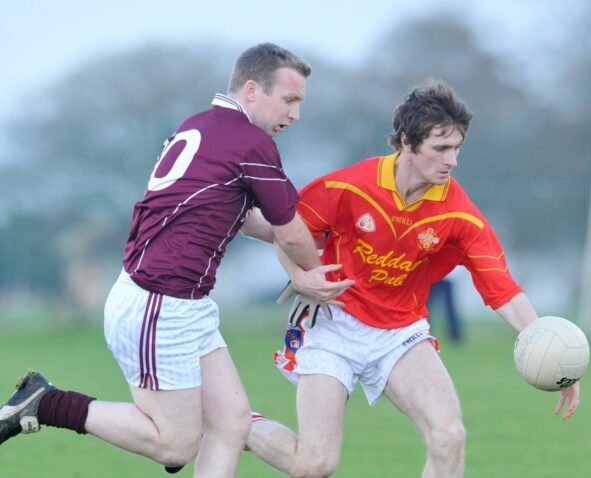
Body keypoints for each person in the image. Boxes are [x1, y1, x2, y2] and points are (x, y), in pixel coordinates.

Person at [0, 43, 351, 477]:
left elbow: (252, 221)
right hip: (159, 304)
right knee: (173, 445)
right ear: (253, 89)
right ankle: (47, 403)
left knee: (231, 422)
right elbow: (289, 229)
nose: (295, 114)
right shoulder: (249, 140)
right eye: (290, 100)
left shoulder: (202, 127)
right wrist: (311, 273)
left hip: (183, 305)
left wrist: (323, 238)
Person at [244, 80, 581, 477]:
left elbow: (502, 289)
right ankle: (235, 421)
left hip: (399, 331)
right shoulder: (350, 186)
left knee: (449, 435)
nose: (452, 160)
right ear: (406, 141)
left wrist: (551, 352)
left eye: (457, 148)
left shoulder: (459, 215)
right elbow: (288, 230)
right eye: (441, 148)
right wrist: (298, 276)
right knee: (315, 464)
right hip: (333, 324)